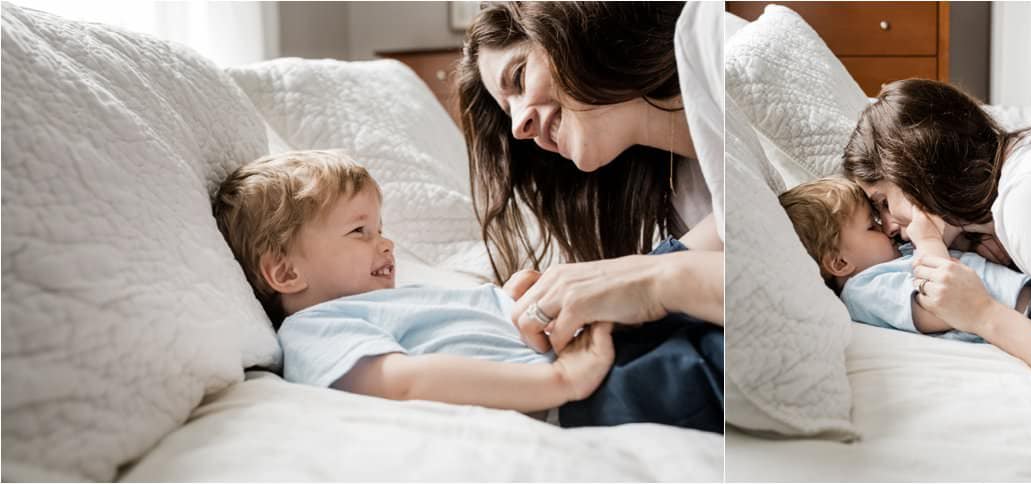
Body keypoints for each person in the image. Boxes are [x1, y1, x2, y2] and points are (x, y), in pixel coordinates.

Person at [212, 150, 714, 428]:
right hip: (588, 387)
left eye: (379, 226)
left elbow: (464, 323)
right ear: (285, 273)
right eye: (358, 231)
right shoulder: (314, 330)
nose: (385, 242)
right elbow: (406, 383)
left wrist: (511, 296)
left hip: (585, 335)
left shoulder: (387, 301)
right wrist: (560, 384)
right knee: (712, 369)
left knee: (681, 268)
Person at [454, 1, 724, 408]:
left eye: (519, 77)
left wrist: (648, 276)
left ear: (572, 28)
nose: (518, 127)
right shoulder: (675, 190)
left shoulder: (724, 49)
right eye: (508, 112)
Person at [842, 78, 1031, 372]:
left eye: (884, 203)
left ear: (915, 171)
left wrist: (981, 313)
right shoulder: (984, 220)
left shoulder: (1026, 195)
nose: (888, 226)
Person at [779, 177, 1031, 372]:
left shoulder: (892, 258)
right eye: (871, 227)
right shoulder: (865, 291)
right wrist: (929, 240)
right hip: (1029, 316)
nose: (887, 229)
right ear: (840, 263)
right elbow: (940, 306)